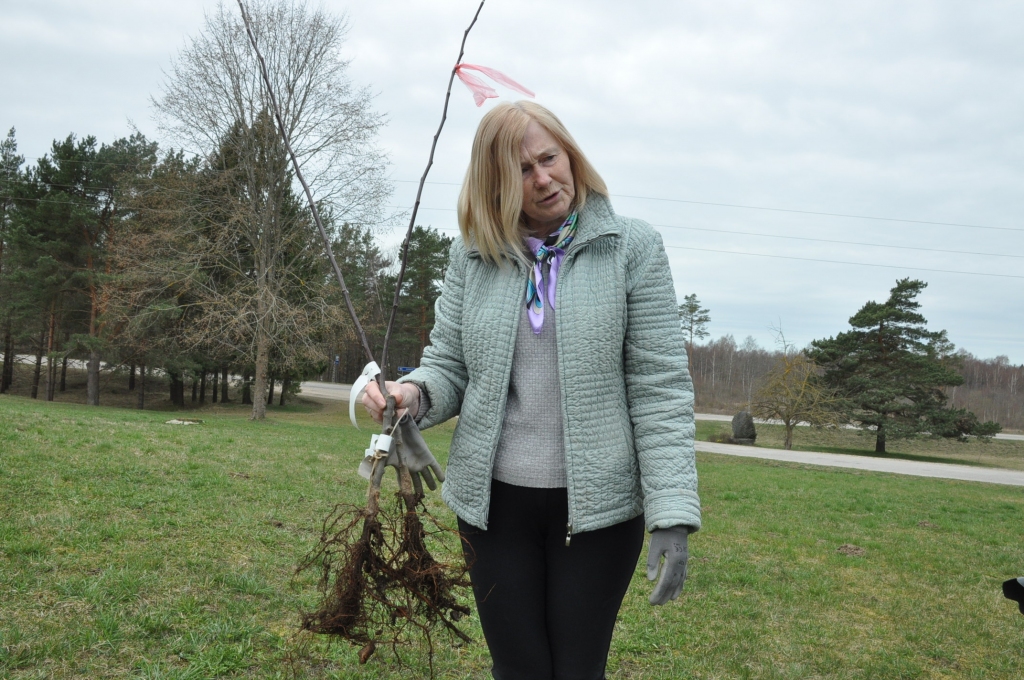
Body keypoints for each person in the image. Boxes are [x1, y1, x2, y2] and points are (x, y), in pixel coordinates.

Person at [362, 101, 701, 680]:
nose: (544, 178)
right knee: (518, 669)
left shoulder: (631, 248)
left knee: (575, 670)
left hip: (598, 512)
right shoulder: (473, 253)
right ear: (495, 183)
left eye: (550, 157)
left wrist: (671, 510)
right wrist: (413, 393)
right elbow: (449, 365)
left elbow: (659, 387)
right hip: (494, 510)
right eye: (522, 169)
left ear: (571, 154)